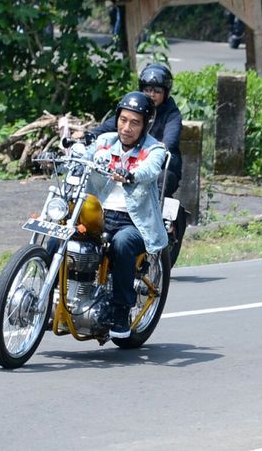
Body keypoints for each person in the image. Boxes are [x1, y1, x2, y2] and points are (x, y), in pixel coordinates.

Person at [85, 91, 168, 338]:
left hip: (133, 222)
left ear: (144, 125)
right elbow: (87, 152)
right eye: (123, 120)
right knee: (63, 234)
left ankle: (121, 310)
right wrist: (65, 156)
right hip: (98, 215)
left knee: (121, 244)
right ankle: (50, 297)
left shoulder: (154, 149)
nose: (127, 127)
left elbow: (151, 169)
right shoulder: (106, 142)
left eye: (135, 122)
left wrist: (131, 175)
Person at [91, 63, 182, 197]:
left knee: (163, 179)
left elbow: (171, 138)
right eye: (148, 90)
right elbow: (110, 125)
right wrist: (89, 135)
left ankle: (152, 214)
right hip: (129, 160)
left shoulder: (172, 113)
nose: (152, 94)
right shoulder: (135, 107)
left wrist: (162, 148)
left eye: (157, 91)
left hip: (158, 164)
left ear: (166, 92)